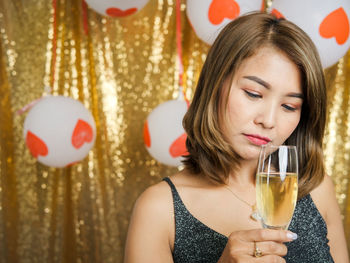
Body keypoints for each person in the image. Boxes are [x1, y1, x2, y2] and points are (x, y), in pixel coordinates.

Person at [124, 12, 349, 263]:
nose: (269, 120)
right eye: (254, 93)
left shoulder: (317, 189)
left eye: (289, 106)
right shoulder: (158, 208)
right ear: (215, 84)